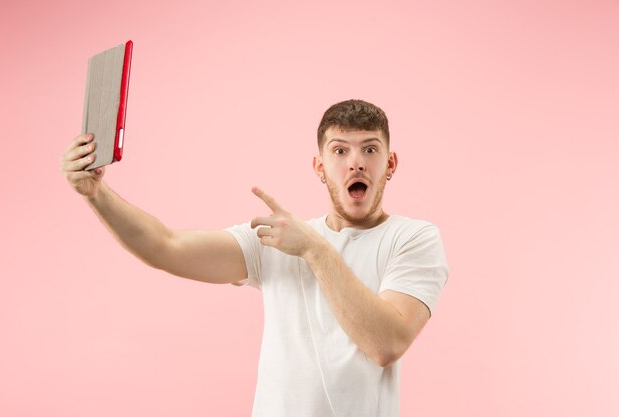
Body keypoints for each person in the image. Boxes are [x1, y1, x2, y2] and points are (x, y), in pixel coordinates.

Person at [60, 99, 449, 417]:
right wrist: (96, 193)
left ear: (390, 164)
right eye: (339, 151)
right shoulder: (278, 239)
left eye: (369, 149)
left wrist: (313, 248)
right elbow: (164, 246)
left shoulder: (412, 238)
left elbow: (386, 343)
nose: (356, 162)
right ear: (319, 167)